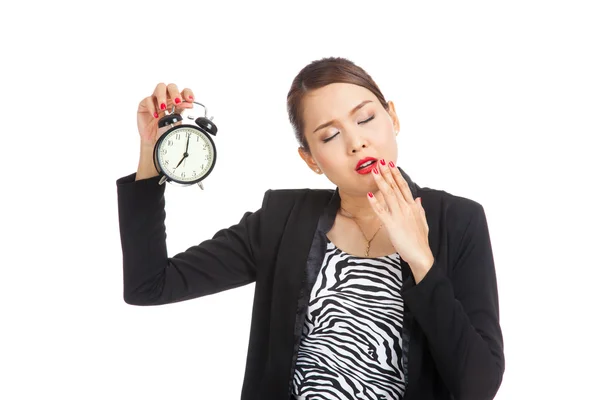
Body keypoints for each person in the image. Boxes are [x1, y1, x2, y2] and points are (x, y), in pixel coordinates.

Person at [116, 56, 505, 400]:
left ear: (394, 118)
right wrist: (152, 156)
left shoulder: (458, 220)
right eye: (330, 136)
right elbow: (149, 285)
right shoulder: (282, 220)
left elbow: (478, 386)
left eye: (366, 118)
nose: (356, 142)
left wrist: (421, 259)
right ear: (310, 159)